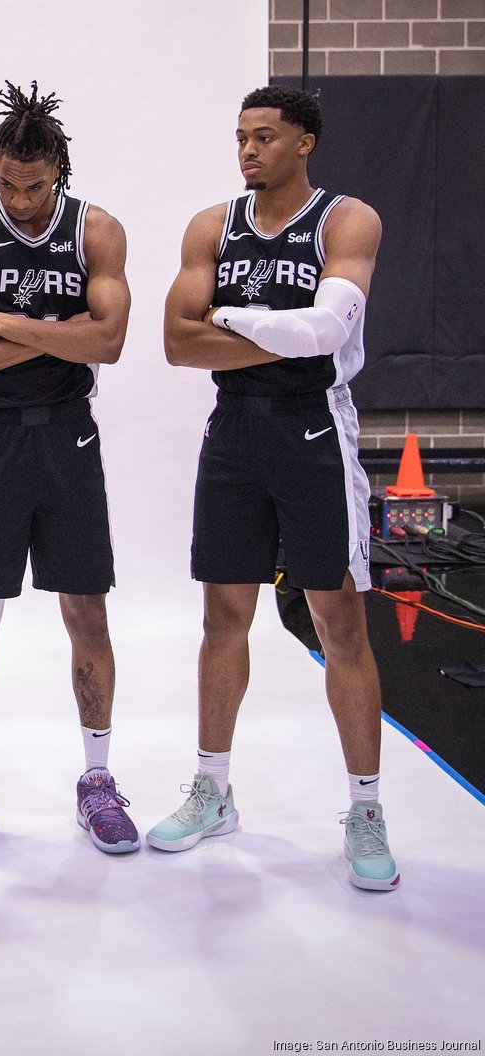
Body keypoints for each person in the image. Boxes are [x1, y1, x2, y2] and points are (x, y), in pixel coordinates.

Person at [152, 84, 398, 892]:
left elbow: (324, 334)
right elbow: (177, 347)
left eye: (264, 137)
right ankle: (213, 789)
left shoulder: (345, 220)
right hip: (234, 434)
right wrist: (268, 329)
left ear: (305, 143)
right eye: (240, 137)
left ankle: (366, 808)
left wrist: (229, 317)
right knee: (223, 614)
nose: (248, 150)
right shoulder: (210, 226)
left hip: (313, 431)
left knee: (337, 616)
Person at [0, 82, 138, 857]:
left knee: (87, 611)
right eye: (8, 183)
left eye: (36, 186)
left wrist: (4, 322)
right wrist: (59, 331)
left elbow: (110, 342)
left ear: (60, 173)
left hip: (70, 435)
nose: (21, 200)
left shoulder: (96, 231)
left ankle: (98, 781)